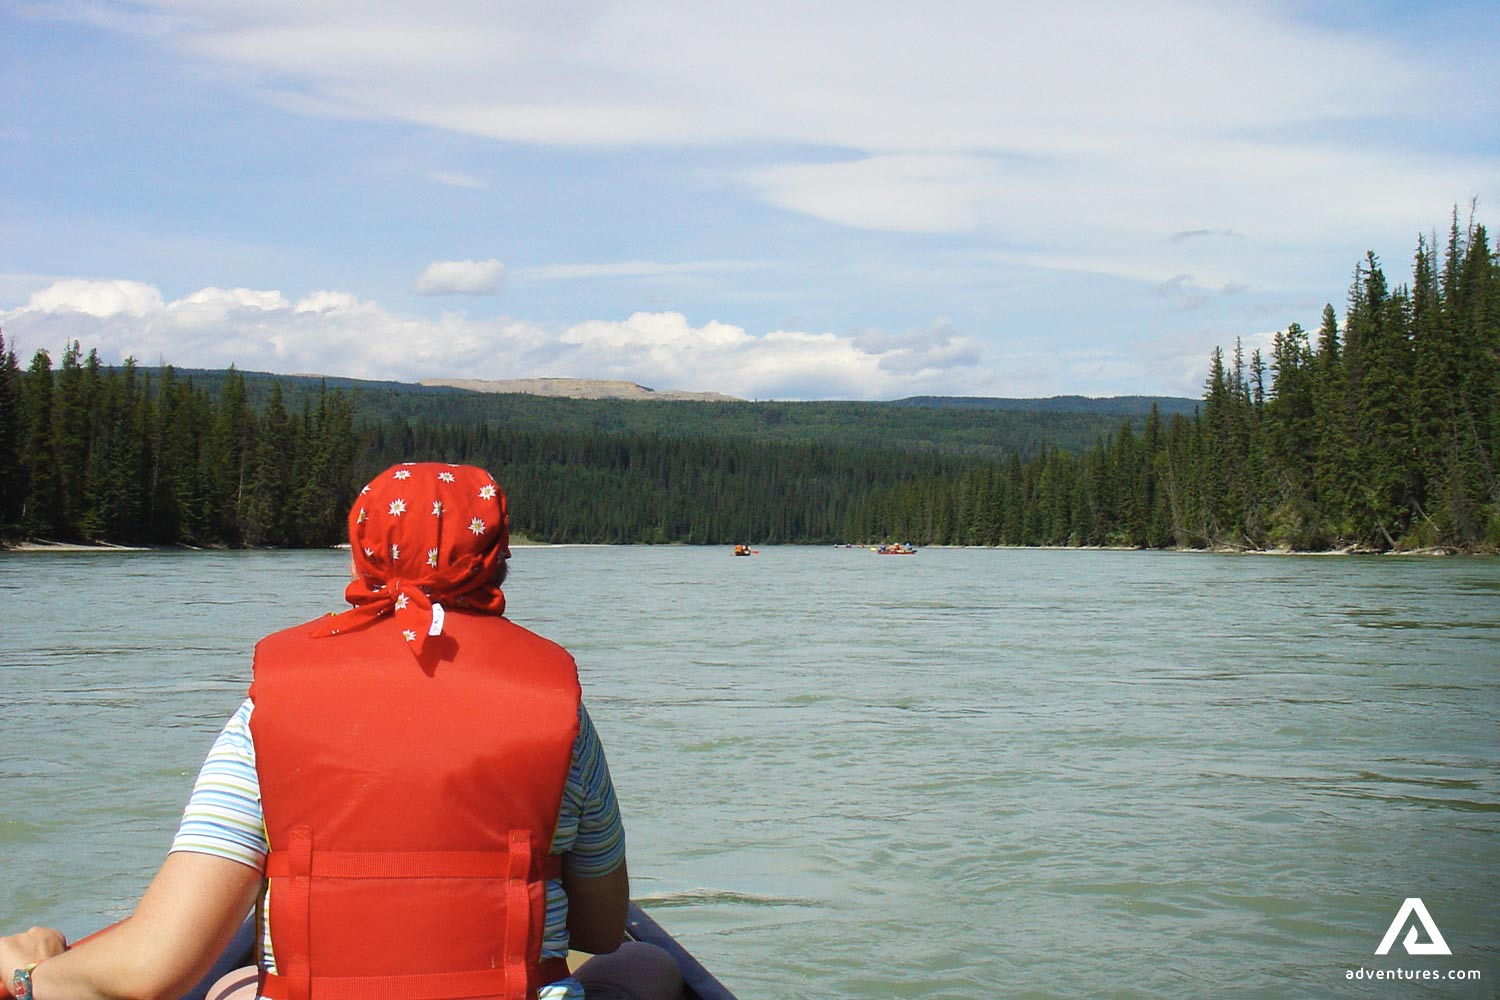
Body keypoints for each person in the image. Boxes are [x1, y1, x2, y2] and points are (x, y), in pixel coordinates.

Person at [1, 463, 682, 1000]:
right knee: (647, 966)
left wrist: (33, 979)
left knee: (230, 980)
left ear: (362, 552)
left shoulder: (268, 712)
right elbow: (599, 927)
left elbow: (155, 969)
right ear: (497, 558)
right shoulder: (560, 712)